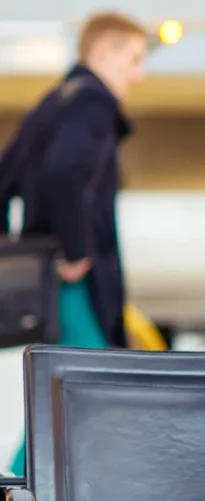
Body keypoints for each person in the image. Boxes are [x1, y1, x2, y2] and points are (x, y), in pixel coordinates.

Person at [0, 11, 148, 476]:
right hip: (73, 285)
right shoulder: (93, 101)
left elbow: (3, 180)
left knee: (62, 405)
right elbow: (65, 170)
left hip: (47, 286)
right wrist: (75, 250)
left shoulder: (54, 101)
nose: (138, 74)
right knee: (92, 398)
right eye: (134, 58)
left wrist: (20, 250)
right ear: (102, 52)